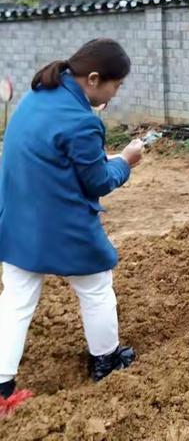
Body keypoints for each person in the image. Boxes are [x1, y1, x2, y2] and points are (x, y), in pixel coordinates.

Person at [0, 39, 144, 406]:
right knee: (96, 286)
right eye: (117, 84)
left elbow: (58, 159)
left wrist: (103, 160)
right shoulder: (82, 121)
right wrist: (125, 161)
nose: (116, 92)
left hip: (18, 218)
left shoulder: (37, 97)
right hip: (61, 223)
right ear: (94, 79)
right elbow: (97, 182)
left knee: (16, 299)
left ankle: (2, 387)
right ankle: (106, 361)